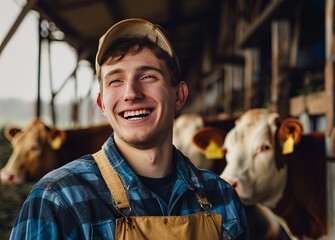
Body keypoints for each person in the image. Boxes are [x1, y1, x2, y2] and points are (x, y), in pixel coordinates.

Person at [10, 18, 248, 239]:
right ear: (102, 103)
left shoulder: (222, 196)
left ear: (179, 95)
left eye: (148, 76)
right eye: (116, 80)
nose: (131, 93)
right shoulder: (59, 198)